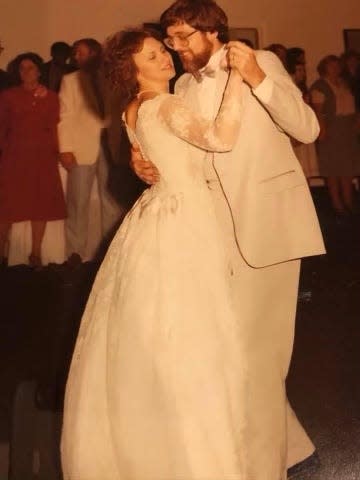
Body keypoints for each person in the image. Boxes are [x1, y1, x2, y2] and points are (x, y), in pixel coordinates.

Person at [131, 0, 325, 478]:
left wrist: (258, 78)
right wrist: (145, 164)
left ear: (213, 32)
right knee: (232, 352)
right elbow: (183, 150)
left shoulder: (264, 63)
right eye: (169, 40)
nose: (174, 49)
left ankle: (264, 470)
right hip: (208, 235)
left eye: (182, 38)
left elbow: (307, 127)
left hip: (270, 226)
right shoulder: (178, 86)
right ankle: (290, 448)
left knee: (259, 357)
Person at [62, 28, 248, 480]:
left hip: (156, 215)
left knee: (156, 326)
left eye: (162, 50)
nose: (163, 58)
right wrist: (239, 80)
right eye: (151, 56)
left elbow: (149, 155)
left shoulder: (132, 108)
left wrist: (140, 162)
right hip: (184, 217)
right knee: (194, 330)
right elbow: (220, 139)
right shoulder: (163, 103)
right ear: (133, 69)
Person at [58, 38, 122, 265]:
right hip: (81, 149)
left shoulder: (112, 78)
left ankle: (110, 254)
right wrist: (65, 149)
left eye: (80, 53)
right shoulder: (70, 80)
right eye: (75, 54)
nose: (76, 57)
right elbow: (64, 117)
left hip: (111, 148)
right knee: (77, 202)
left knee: (111, 202)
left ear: (95, 53)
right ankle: (75, 253)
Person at [0, 53, 66, 267]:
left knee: (41, 203)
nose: (26, 72)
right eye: (22, 69)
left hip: (43, 157)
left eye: (30, 68)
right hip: (14, 156)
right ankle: (2, 252)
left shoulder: (52, 97)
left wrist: (59, 152)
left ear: (39, 71)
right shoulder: (8, 96)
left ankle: (35, 253)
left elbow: (57, 126)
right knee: (7, 204)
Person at [310, 55, 360, 216]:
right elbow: (318, 111)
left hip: (347, 129)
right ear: (324, 67)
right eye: (332, 66)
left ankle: (348, 201)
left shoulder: (345, 83)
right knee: (333, 168)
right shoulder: (320, 86)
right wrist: (322, 130)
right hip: (331, 129)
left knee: (347, 168)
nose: (336, 68)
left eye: (337, 65)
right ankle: (336, 203)